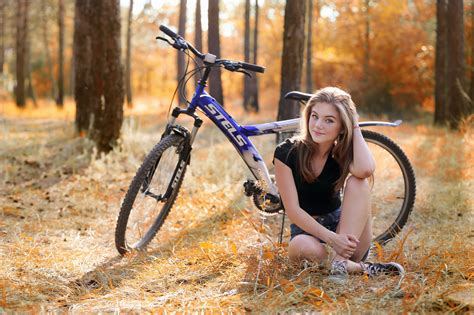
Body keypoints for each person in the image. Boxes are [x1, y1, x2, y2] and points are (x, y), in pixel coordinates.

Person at [273, 87, 404, 278]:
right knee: (299, 246)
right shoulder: (286, 153)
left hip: (346, 231)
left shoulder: (342, 153)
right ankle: (359, 268)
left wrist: (355, 125)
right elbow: (293, 211)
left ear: (342, 126)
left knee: (358, 182)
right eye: (315, 116)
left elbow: (366, 169)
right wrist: (332, 239)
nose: (318, 125)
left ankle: (340, 263)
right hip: (307, 232)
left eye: (329, 120)